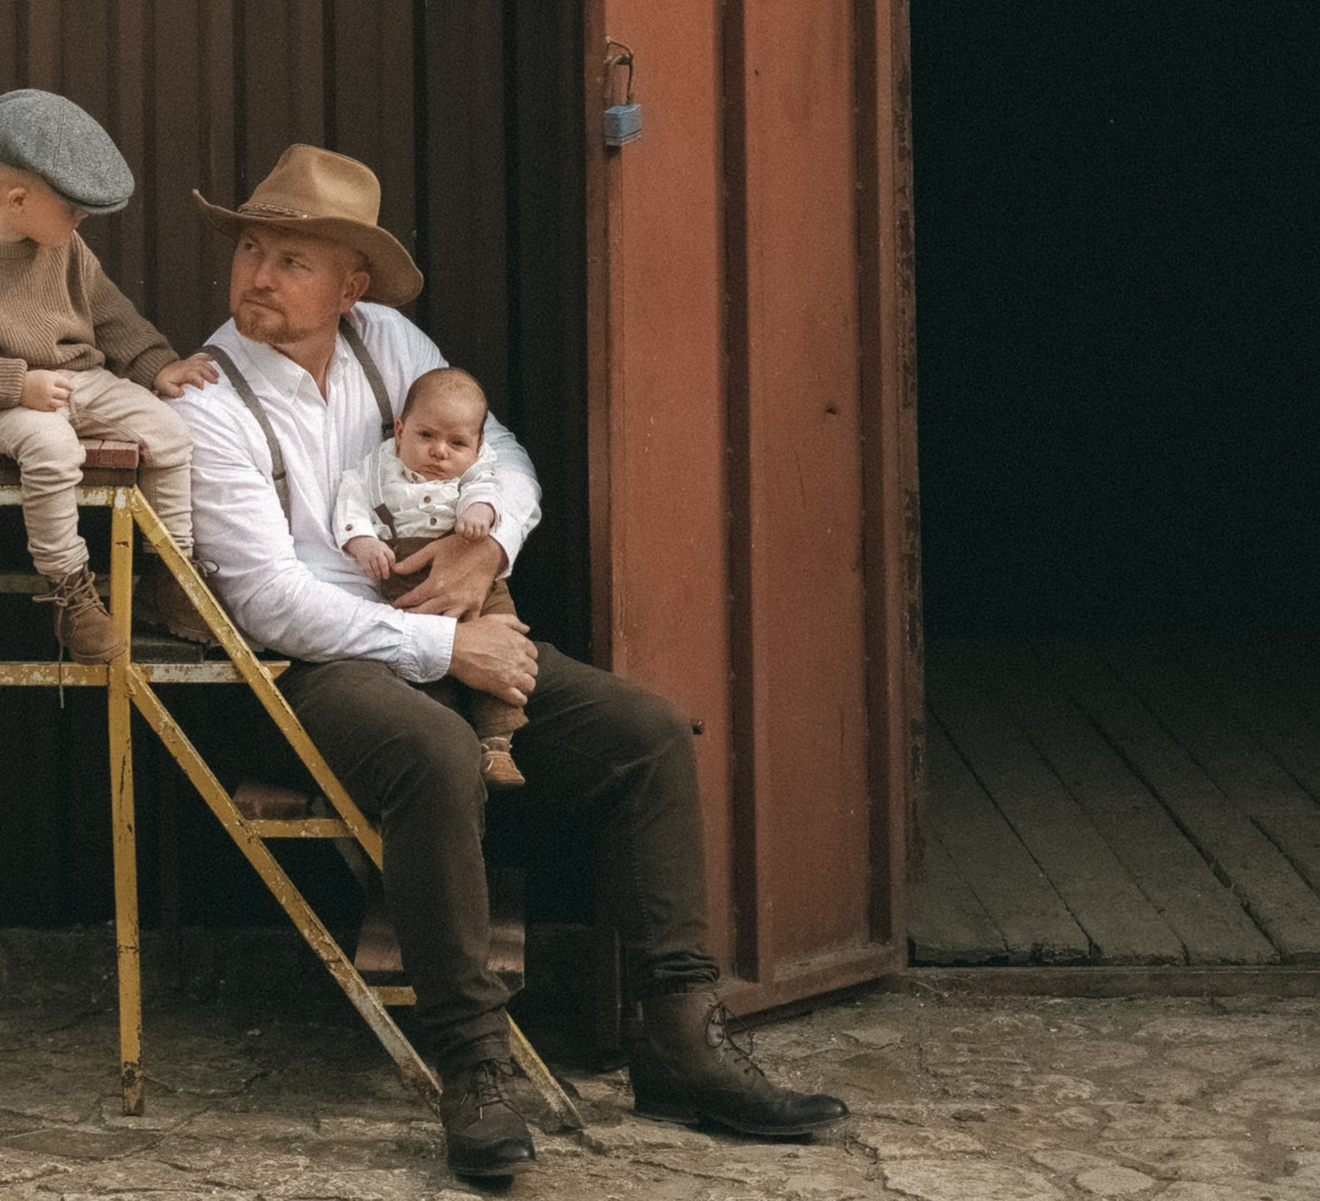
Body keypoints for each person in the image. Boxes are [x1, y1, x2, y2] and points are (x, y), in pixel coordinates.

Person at [173, 146, 848, 1186]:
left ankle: (678, 1036)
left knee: (645, 737)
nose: (258, 274)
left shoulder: (386, 340)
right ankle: (473, 1064)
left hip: (447, 620)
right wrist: (449, 645)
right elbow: (266, 600)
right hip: (300, 666)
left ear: (350, 282)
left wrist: (485, 546)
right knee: (439, 753)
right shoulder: (208, 397)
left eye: (292, 258)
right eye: (251, 250)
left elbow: (499, 454)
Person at [0, 89, 221, 660]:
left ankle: (169, 574)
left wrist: (157, 364)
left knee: (170, 433)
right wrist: (14, 384)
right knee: (52, 451)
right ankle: (70, 592)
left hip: (80, 380)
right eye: (71, 208)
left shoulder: (66, 245)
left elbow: (110, 312)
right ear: (18, 200)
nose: (81, 219)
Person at [335, 366, 524, 786]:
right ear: (400, 430)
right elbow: (350, 501)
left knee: (499, 643)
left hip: (478, 578)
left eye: (457, 443)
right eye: (426, 436)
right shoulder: (377, 467)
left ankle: (498, 743)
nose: (440, 451)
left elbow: (488, 486)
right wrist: (363, 542)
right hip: (408, 579)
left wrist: (481, 512)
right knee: (426, 667)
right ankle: (454, 739)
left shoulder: (478, 468)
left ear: (477, 446)